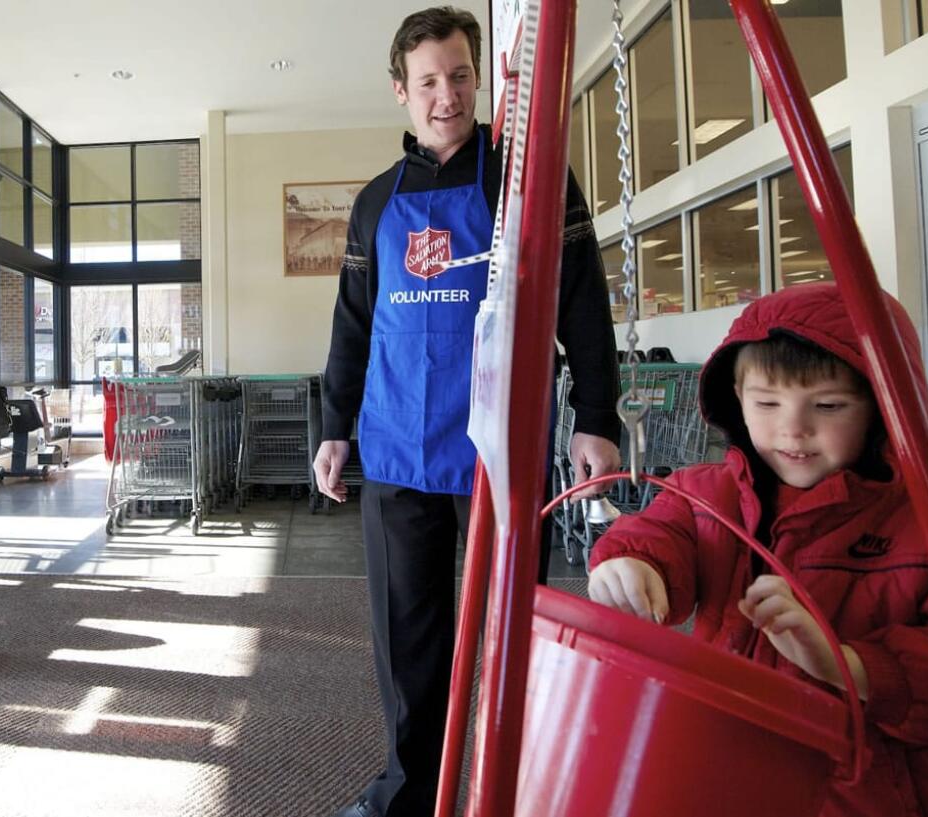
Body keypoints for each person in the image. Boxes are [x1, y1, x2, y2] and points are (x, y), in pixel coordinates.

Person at [314, 7, 621, 816]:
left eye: (458, 76)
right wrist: (333, 428)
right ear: (400, 93)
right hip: (395, 449)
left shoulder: (531, 177)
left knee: (511, 633)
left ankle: (511, 788)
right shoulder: (377, 204)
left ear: (477, 79)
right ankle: (409, 794)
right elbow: (353, 323)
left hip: (499, 451)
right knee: (408, 643)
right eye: (427, 82)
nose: (445, 95)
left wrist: (598, 415)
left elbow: (582, 303)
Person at [588, 283, 928, 816]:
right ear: (737, 401)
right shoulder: (708, 496)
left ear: (883, 409)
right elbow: (660, 532)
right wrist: (628, 564)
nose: (793, 429)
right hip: (741, 775)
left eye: (827, 405)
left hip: (889, 794)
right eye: (766, 402)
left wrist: (847, 665)